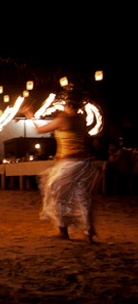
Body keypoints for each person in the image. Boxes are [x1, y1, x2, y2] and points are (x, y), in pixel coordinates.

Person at [23, 87, 98, 243]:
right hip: (84, 165)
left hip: (69, 164)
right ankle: (89, 233)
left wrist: (29, 115)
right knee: (83, 199)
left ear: (68, 105)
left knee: (58, 197)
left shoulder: (63, 119)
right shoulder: (81, 120)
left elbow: (39, 130)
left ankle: (64, 232)